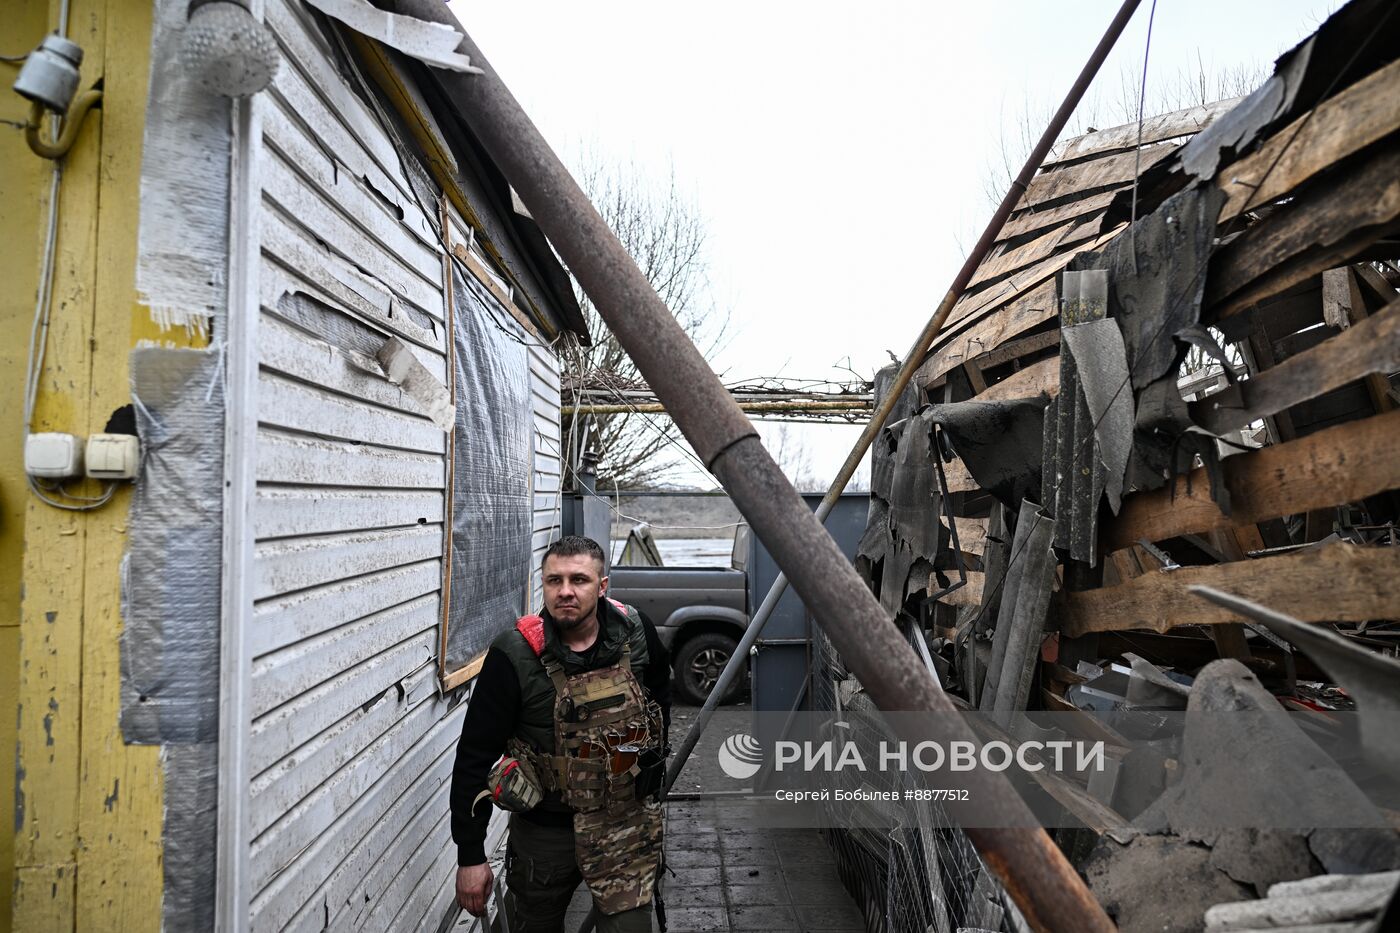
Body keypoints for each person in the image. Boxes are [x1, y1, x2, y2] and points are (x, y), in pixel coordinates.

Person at [451, 535, 672, 933]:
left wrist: (648, 773)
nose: (565, 591)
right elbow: (473, 756)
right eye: (554, 581)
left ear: (602, 586)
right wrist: (470, 855)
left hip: (624, 825)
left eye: (579, 580)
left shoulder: (637, 635)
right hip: (545, 835)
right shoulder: (512, 655)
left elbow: (661, 703)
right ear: (543, 584)